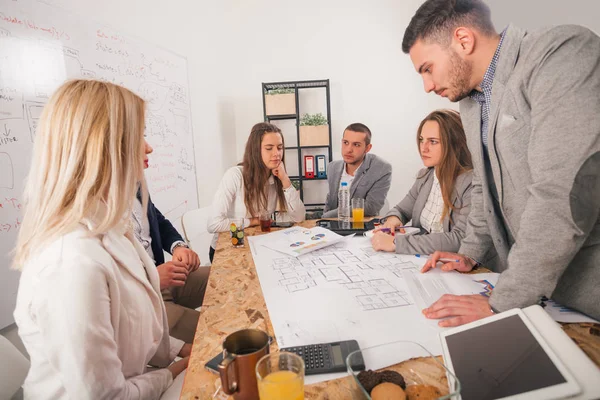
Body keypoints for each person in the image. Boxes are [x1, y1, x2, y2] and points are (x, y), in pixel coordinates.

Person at [402, 0, 600, 326]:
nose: (427, 85)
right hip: (539, 297)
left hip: (586, 298)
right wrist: (470, 253)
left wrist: (502, 302)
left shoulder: (561, 52)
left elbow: (563, 191)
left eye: (427, 68)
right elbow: (484, 185)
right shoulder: (471, 102)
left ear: (463, 41)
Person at [13, 79, 189, 399]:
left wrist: (183, 350)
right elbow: (108, 396)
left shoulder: (108, 226)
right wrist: (175, 370)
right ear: (104, 144)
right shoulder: (70, 262)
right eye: (139, 135)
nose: (148, 146)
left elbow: (130, 325)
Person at [133, 140, 210, 343]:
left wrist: (178, 246)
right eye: (139, 136)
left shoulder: (136, 184)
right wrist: (153, 278)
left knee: (222, 278)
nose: (150, 147)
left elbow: (158, 221)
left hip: (163, 279)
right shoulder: (94, 210)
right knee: (215, 331)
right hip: (140, 301)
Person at [371, 109, 473, 254]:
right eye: (421, 140)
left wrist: (396, 242)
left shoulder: (470, 182)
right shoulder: (425, 176)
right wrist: (393, 218)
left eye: (433, 141)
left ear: (454, 144)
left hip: (455, 267)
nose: (423, 148)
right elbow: (401, 210)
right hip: (422, 260)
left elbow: (460, 239)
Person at [207, 122, 305, 253]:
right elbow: (213, 224)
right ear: (255, 150)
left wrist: (285, 180)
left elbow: (299, 218)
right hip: (227, 250)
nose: (277, 153)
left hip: (258, 246)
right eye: (269, 148)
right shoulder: (235, 175)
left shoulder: (276, 177)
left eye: (280, 147)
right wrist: (252, 221)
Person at [322, 123, 392, 218]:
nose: (349, 149)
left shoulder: (382, 168)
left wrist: (327, 216)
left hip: (361, 227)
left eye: (356, 145)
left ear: (367, 148)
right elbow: (330, 203)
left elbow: (371, 207)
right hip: (334, 227)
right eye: (345, 143)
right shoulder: (332, 167)